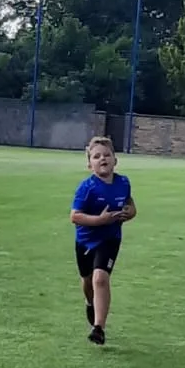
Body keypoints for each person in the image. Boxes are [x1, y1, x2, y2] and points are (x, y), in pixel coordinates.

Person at [71, 135, 136, 346]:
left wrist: (131, 212)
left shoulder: (123, 182)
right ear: (89, 164)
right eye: (96, 156)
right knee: (87, 281)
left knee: (100, 278)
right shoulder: (86, 187)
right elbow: (75, 216)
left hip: (110, 239)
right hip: (85, 241)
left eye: (107, 155)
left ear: (115, 160)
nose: (103, 159)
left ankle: (99, 328)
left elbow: (129, 203)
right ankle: (90, 303)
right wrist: (100, 220)